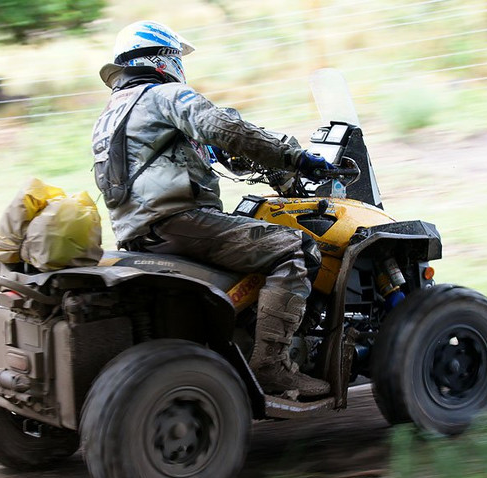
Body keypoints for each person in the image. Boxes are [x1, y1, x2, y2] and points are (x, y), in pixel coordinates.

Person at [92, 20, 332, 397]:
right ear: (163, 60)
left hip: (139, 232)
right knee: (295, 248)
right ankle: (271, 366)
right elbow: (223, 126)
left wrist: (218, 152)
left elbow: (176, 153)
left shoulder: (112, 113)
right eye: (177, 60)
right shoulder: (164, 95)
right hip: (180, 221)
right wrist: (296, 158)